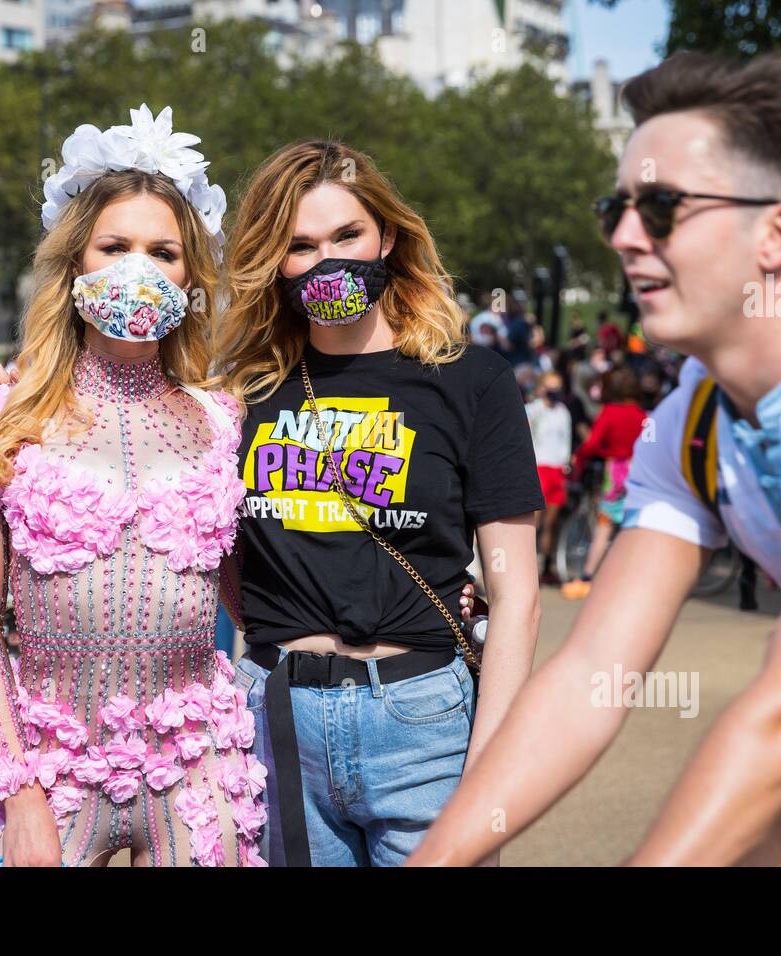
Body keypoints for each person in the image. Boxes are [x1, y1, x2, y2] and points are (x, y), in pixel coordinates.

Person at [408, 50, 781, 867]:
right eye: (615, 206)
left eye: (660, 208)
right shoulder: (694, 421)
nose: (622, 236)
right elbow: (590, 677)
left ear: (779, 230)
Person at [0, 105, 265, 867]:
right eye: (114, 246)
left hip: (200, 763)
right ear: (76, 262)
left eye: (164, 251)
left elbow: (252, 596)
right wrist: (18, 789)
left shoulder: (224, 419)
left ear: (191, 275)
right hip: (52, 775)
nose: (138, 268)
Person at [219, 139, 544, 866]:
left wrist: (489, 765)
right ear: (274, 261)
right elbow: (218, 557)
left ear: (388, 237)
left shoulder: (472, 382)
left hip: (423, 724)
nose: (327, 260)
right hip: (277, 722)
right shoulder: (243, 391)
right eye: (299, 245)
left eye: (347, 235)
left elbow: (518, 593)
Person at [560, 366, 647, 599]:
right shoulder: (642, 415)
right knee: (632, 527)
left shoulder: (610, 412)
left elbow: (593, 443)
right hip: (639, 473)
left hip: (616, 472)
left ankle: (587, 577)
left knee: (604, 525)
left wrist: (582, 456)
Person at [525, 371, 572, 585]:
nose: (555, 390)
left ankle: (545, 566)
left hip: (557, 468)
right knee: (533, 520)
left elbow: (566, 440)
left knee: (551, 522)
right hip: (539, 466)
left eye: (558, 385)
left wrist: (566, 463)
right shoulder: (533, 409)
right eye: (551, 385)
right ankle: (527, 565)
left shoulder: (563, 412)